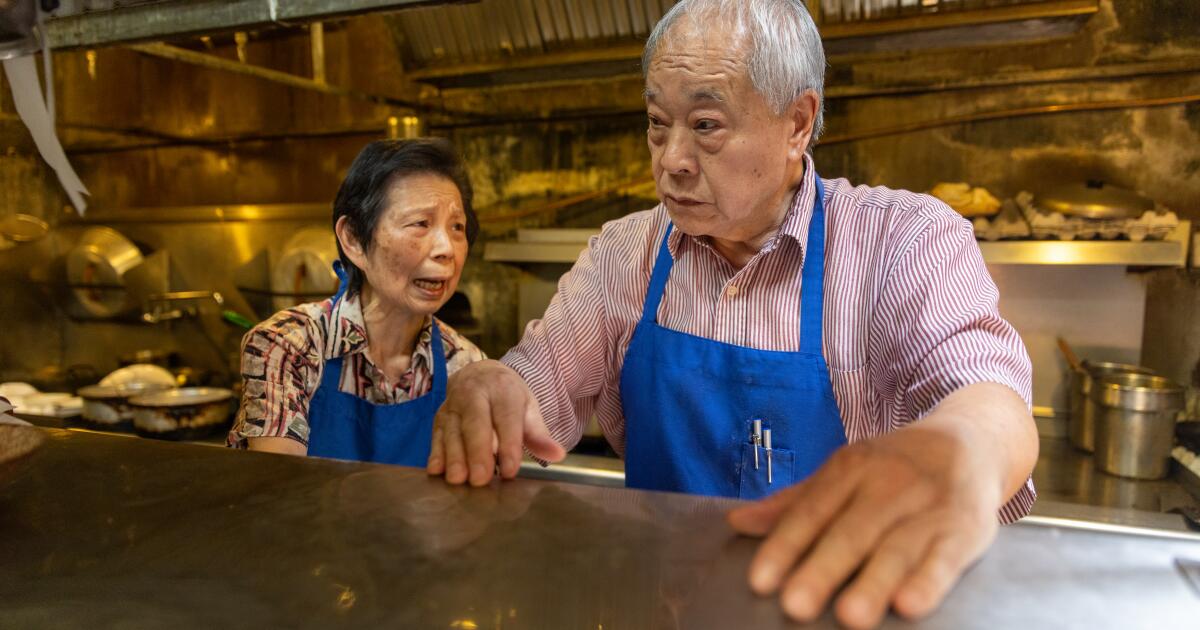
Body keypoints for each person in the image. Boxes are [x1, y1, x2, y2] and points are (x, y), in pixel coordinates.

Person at [427, 1, 1038, 627]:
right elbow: (538, 383)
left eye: (706, 125)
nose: (672, 159)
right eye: (658, 123)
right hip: (660, 606)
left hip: (844, 608)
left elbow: (990, 396)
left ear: (797, 122)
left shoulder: (901, 242)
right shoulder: (624, 255)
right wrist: (494, 387)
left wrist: (956, 448)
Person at [228, 138, 485, 466]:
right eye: (421, 224)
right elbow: (280, 491)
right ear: (353, 239)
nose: (446, 248)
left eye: (457, 228)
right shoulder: (289, 346)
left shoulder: (464, 364)